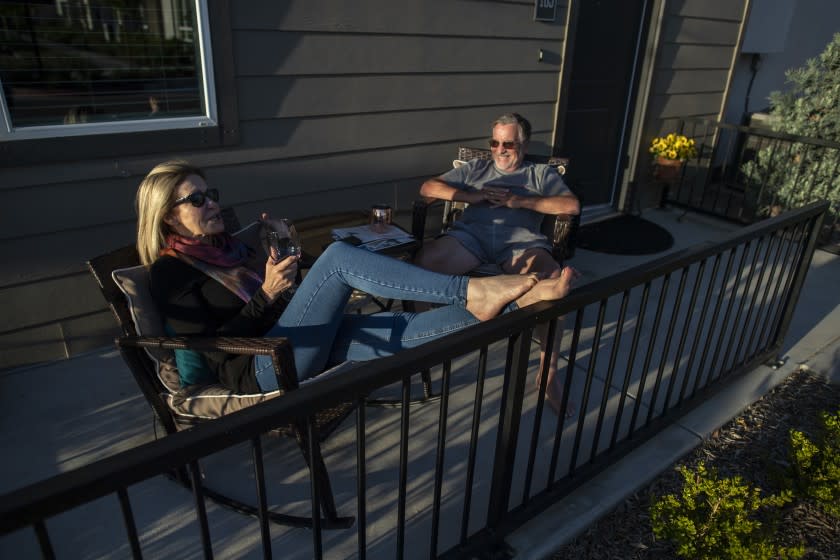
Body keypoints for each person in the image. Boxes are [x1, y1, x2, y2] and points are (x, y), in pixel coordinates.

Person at [137, 160, 575, 394]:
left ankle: (519, 302)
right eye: (196, 200)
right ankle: (472, 290)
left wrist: (282, 279)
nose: (211, 203)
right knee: (340, 258)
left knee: (401, 327)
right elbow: (213, 349)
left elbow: (277, 305)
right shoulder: (171, 272)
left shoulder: (229, 249)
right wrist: (266, 295)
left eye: (209, 193)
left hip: (289, 339)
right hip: (258, 366)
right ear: (168, 218)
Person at [413, 113, 581, 413]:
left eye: (509, 143)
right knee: (424, 260)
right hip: (470, 241)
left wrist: (521, 202)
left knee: (551, 276)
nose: (500, 149)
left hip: (519, 246)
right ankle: (426, 343)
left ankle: (547, 375)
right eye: (495, 142)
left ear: (524, 145)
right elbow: (427, 188)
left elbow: (570, 205)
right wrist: (470, 196)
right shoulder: (476, 168)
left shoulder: (541, 174)